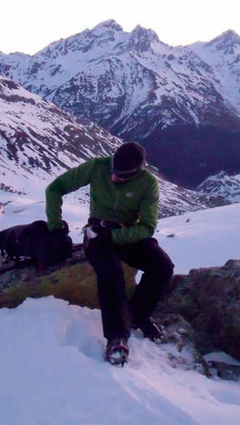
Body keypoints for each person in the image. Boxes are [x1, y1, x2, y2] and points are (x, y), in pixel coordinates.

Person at [45, 142, 174, 365]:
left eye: (122, 176)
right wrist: (55, 228)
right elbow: (55, 189)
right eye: (113, 171)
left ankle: (138, 314)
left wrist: (113, 237)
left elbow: (147, 227)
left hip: (127, 235)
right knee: (111, 272)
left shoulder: (148, 184)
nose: (114, 177)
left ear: (137, 171)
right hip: (97, 233)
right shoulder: (97, 167)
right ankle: (116, 337)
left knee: (162, 267)